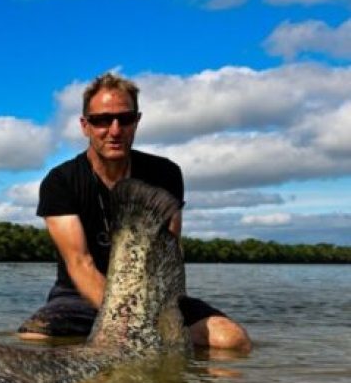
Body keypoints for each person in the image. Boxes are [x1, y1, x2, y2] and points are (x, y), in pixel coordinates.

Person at [18, 72, 251, 352]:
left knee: (232, 341)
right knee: (33, 340)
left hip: (154, 294)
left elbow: (168, 250)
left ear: (137, 121)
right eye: (102, 120)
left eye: (125, 119)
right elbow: (80, 264)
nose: (114, 130)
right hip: (81, 296)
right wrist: (123, 319)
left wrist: (160, 314)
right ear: (85, 125)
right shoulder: (61, 181)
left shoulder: (165, 174)